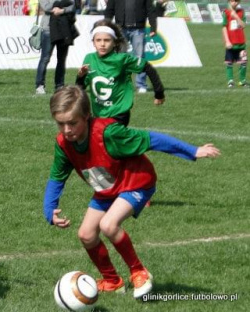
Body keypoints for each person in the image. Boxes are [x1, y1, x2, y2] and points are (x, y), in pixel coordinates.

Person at [43, 86, 220, 298]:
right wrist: (50, 208)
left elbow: (152, 139)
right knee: (86, 234)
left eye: (72, 123)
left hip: (137, 183)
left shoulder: (109, 133)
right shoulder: (64, 144)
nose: (66, 129)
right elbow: (57, 176)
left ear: (87, 116)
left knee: (108, 225)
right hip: (108, 190)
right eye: (60, 123)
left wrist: (192, 151)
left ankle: (139, 272)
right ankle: (112, 281)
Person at [76, 19, 164, 126]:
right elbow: (80, 88)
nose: (102, 44)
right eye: (98, 40)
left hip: (119, 112)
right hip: (99, 112)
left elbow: (147, 67)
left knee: (112, 139)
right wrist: (80, 76)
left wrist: (159, 93)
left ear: (114, 42)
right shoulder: (89, 58)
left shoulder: (122, 59)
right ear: (93, 42)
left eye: (107, 40)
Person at [104, 0, 157, 93]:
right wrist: (105, 26)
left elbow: (150, 10)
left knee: (139, 57)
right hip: (120, 29)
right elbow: (109, 10)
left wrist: (153, 27)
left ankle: (141, 85)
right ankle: (119, 83)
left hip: (138, 30)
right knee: (119, 58)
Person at [35, 0, 76, 95]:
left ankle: (59, 85)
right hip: (48, 29)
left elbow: (73, 6)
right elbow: (45, 6)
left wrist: (61, 11)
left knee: (61, 59)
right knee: (45, 58)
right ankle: (40, 85)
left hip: (64, 28)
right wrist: (60, 6)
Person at [222, 0, 247, 88]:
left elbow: (243, 25)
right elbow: (224, 27)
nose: (235, 3)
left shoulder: (241, 12)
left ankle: (242, 81)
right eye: (233, 1)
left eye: (237, 1)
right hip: (231, 43)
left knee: (243, 63)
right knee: (229, 63)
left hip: (241, 43)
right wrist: (227, 41)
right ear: (229, 1)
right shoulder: (226, 12)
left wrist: (236, 16)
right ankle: (230, 81)